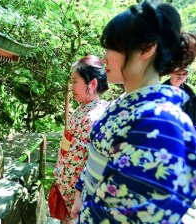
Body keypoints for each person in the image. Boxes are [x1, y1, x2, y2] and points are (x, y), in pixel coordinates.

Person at [71, 1, 196, 223]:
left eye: (113, 47)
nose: (105, 57)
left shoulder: (160, 120)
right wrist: (80, 192)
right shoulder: (127, 103)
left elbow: (129, 214)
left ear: (147, 48)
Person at [51, 55, 109, 223]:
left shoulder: (92, 118)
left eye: (75, 81)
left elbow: (83, 164)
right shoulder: (84, 109)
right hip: (66, 190)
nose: (71, 87)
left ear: (92, 83)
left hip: (75, 198)